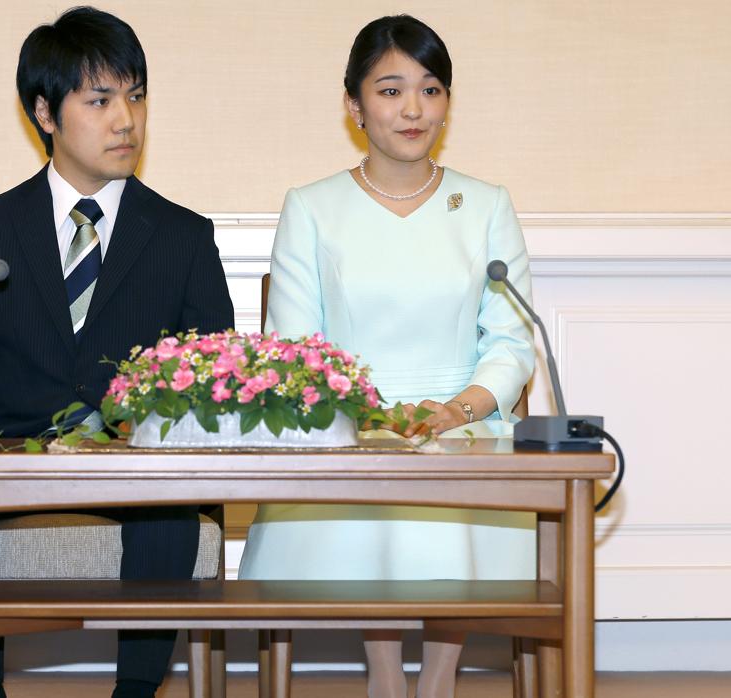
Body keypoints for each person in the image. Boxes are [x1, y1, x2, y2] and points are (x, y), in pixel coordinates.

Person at [0, 7, 234, 698]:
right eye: (100, 100)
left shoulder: (182, 236)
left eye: (135, 96)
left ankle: (134, 691)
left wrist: (146, 423)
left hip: (134, 453)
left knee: (167, 506)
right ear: (45, 112)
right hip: (17, 450)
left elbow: (215, 373)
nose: (126, 119)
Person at [237, 15, 535, 698]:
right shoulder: (312, 207)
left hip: (462, 422)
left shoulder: (486, 205)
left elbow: (511, 341)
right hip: (344, 429)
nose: (412, 109)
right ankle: (383, 675)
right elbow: (292, 347)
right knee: (380, 473)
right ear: (354, 105)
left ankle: (436, 676)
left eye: (430, 90)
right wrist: (369, 417)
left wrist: (455, 410)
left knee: (447, 484)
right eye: (391, 90)